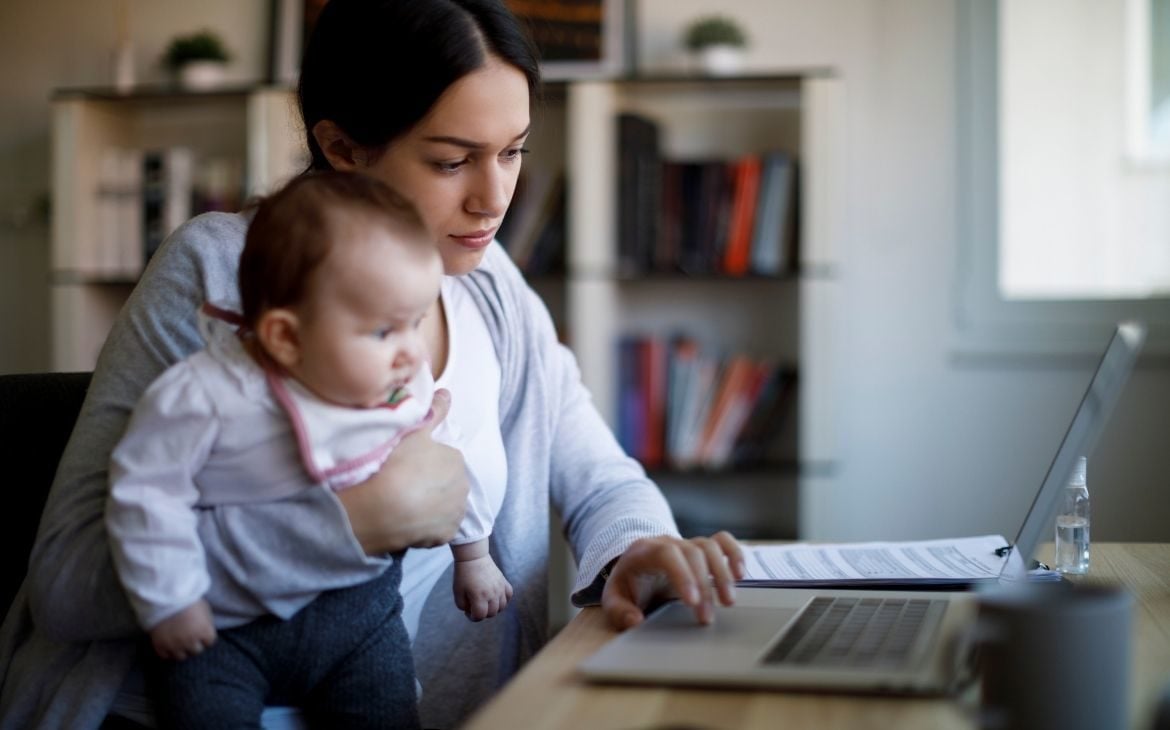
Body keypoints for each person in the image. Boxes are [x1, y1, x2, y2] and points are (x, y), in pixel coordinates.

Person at [0, 1, 746, 728]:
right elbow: (68, 582)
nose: (494, 198)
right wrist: (353, 523)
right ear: (344, 147)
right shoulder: (222, 273)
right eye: (453, 160)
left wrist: (639, 547)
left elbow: (600, 478)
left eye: (513, 151)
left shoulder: (490, 286)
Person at [105, 171, 461, 729]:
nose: (412, 353)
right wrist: (171, 600)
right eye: (384, 332)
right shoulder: (205, 394)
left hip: (360, 622)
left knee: (388, 711)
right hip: (223, 630)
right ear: (285, 338)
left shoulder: (397, 383)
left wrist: (474, 555)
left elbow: (441, 475)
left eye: (416, 323)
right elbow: (146, 493)